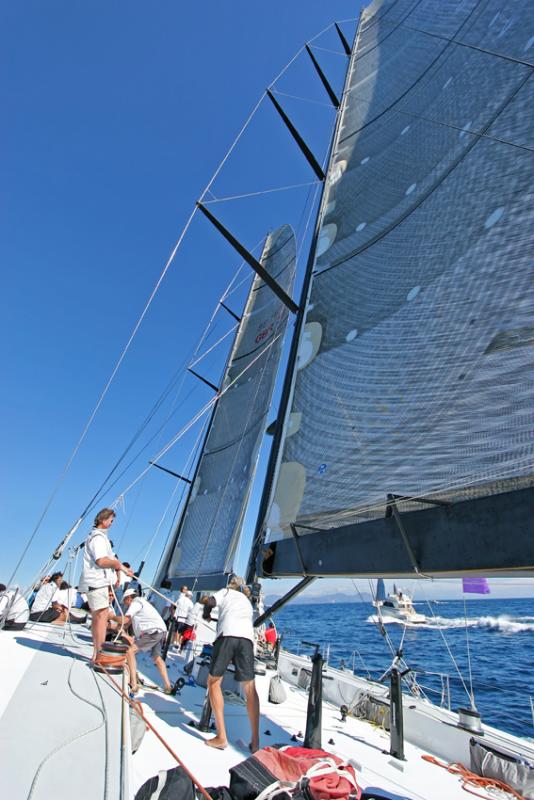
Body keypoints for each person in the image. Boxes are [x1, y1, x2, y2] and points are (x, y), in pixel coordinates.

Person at [203, 574, 259, 752]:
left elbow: (211, 602)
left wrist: (206, 614)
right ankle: (256, 742)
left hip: (227, 636)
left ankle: (221, 737)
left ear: (231, 585)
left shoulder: (226, 592)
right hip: (247, 640)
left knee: (213, 682)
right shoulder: (247, 602)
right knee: (250, 689)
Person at [78, 507, 133, 663]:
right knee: (101, 618)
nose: (111, 523)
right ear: (103, 520)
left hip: (96, 582)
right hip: (97, 582)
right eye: (111, 520)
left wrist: (121, 568)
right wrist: (118, 565)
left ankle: (97, 653)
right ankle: (99, 653)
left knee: (99, 617)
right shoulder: (98, 538)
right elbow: (101, 561)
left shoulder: (97, 537)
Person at [112, 588, 172, 694]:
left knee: (130, 652)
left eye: (124, 602)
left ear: (129, 598)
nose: (124, 605)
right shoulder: (142, 602)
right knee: (157, 658)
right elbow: (126, 624)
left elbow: (125, 619)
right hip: (160, 630)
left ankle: (133, 684)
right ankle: (168, 686)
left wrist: (111, 616)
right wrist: (116, 627)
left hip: (153, 632)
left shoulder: (136, 603)